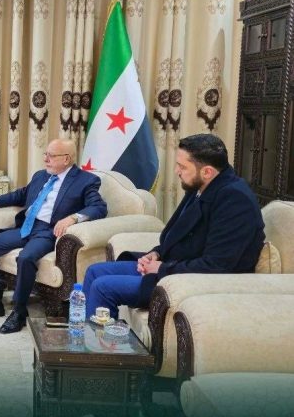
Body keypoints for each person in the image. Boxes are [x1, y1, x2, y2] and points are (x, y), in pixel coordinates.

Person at [82, 133, 265, 318]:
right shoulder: (201, 185)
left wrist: (161, 269)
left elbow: (217, 265)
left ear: (207, 172)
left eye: (182, 167)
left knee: (102, 287)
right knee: (94, 271)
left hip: (194, 281)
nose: (177, 171)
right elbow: (175, 235)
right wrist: (156, 253)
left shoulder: (235, 200)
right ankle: (83, 334)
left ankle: (98, 338)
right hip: (173, 267)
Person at [0, 138, 107, 334]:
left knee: (25, 258)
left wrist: (73, 218)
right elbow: (21, 194)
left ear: (66, 159)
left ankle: (19, 311)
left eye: (51, 155)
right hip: (27, 227)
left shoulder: (85, 180)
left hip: (48, 232)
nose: (45, 159)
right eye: (45, 154)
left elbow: (99, 207)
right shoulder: (41, 176)